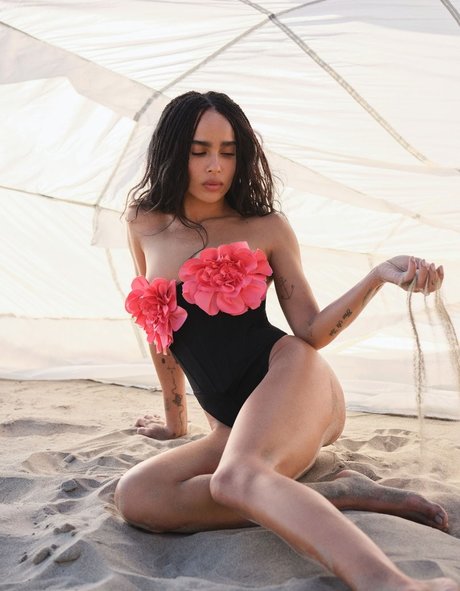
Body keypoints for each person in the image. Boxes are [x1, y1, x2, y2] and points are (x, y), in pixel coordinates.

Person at [115, 91, 458, 591]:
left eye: (229, 152)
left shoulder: (266, 227)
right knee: (139, 496)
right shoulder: (142, 222)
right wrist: (175, 421)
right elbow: (156, 321)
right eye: (199, 150)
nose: (215, 166)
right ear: (173, 152)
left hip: (291, 377)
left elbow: (311, 331)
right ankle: (335, 494)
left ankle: (389, 583)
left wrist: (377, 277)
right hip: (231, 422)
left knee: (236, 478)